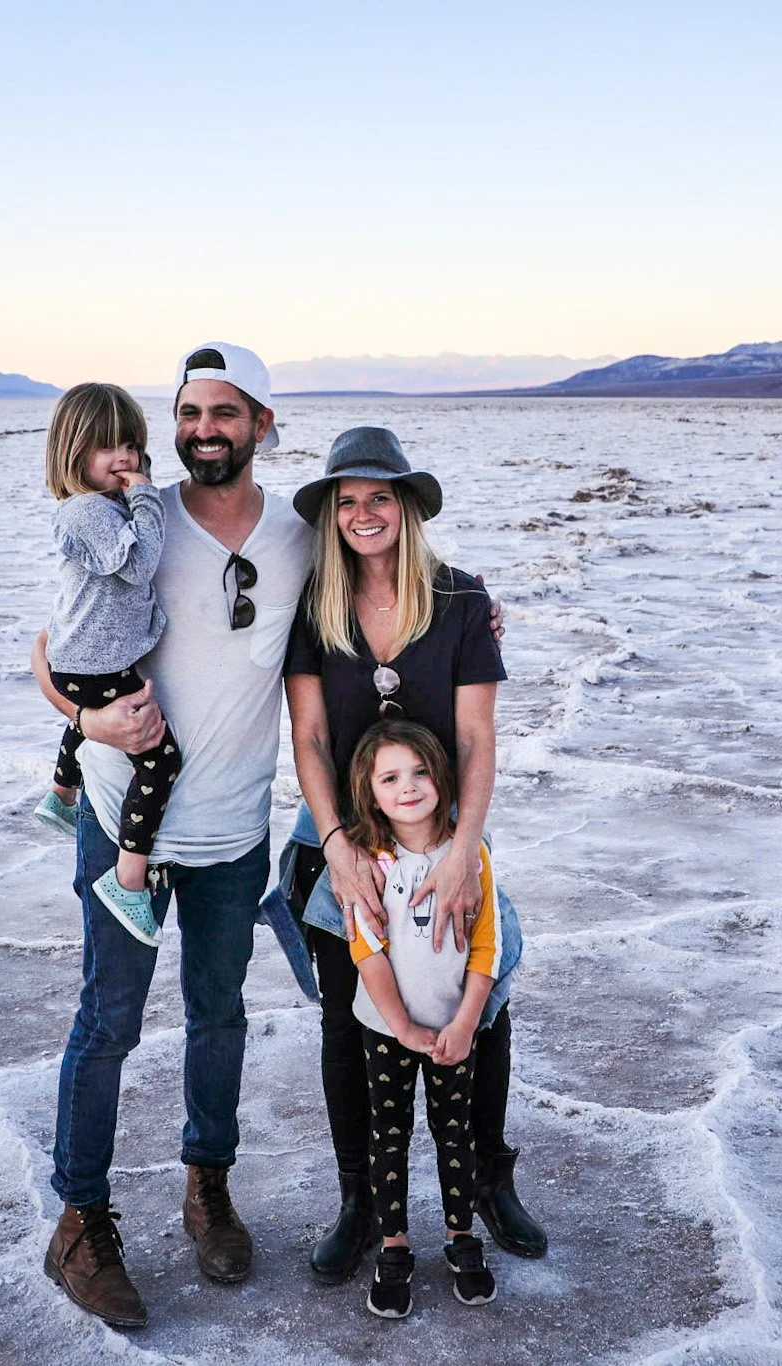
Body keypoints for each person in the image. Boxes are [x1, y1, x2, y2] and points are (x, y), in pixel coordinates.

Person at [30, 343, 308, 1329]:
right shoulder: (129, 519)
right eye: (189, 414)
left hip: (233, 825)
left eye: (224, 413)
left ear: (261, 423)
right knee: (108, 1021)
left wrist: (470, 608)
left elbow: (381, 588)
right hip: (122, 817)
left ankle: (208, 1188)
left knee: (218, 1016)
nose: (203, 431)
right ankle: (79, 1220)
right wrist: (85, 721)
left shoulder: (298, 534)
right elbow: (50, 650)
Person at [282, 425, 548, 1289]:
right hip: (342, 840)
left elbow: (475, 738)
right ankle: (360, 1203)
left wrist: (465, 851)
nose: (363, 513)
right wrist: (336, 847)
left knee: (483, 1010)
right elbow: (310, 738)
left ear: (406, 506)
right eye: (347, 501)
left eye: (379, 497)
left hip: (446, 839)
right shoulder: (314, 607)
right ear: (331, 515)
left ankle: (490, 1182)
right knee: (348, 1021)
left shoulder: (461, 600)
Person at [337, 720, 505, 1316]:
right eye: (389, 778)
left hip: (454, 1027)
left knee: (454, 1131)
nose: (407, 786)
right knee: (389, 1133)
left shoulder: (470, 854)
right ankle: (394, 1243)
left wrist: (465, 1023)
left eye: (420, 771)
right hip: (387, 1029)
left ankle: (461, 1235)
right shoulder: (367, 863)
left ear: (443, 777)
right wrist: (403, 1026)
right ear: (369, 792)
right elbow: (366, 951)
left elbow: (487, 947)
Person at [29, 382, 182, 946]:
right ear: (74, 454)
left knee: (91, 722)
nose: (124, 458)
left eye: (131, 445)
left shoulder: (99, 506)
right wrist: (146, 496)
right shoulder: (88, 510)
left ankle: (61, 796)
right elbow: (138, 565)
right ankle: (128, 878)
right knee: (160, 760)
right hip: (92, 662)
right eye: (106, 447)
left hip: (86, 658)